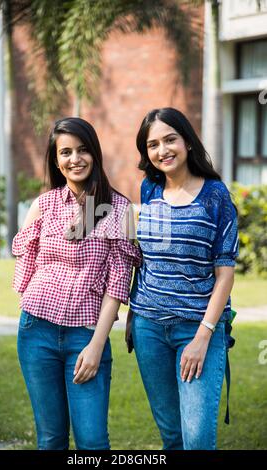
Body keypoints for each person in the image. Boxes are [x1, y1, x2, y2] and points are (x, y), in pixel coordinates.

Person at [12, 117, 141, 450]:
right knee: (51, 438)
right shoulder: (43, 205)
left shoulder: (119, 208)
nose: (75, 159)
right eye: (65, 152)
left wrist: (97, 345)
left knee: (92, 442)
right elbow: (25, 269)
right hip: (36, 332)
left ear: (94, 154)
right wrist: (29, 309)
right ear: (56, 160)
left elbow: (118, 281)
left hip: (86, 334)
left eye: (83, 150)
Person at [128, 107, 239, 450]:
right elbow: (143, 256)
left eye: (170, 139)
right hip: (149, 328)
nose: (163, 150)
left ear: (187, 141)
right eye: (153, 144)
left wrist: (204, 336)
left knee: (197, 440)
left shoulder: (216, 195)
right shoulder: (150, 190)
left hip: (198, 328)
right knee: (172, 437)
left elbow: (225, 274)